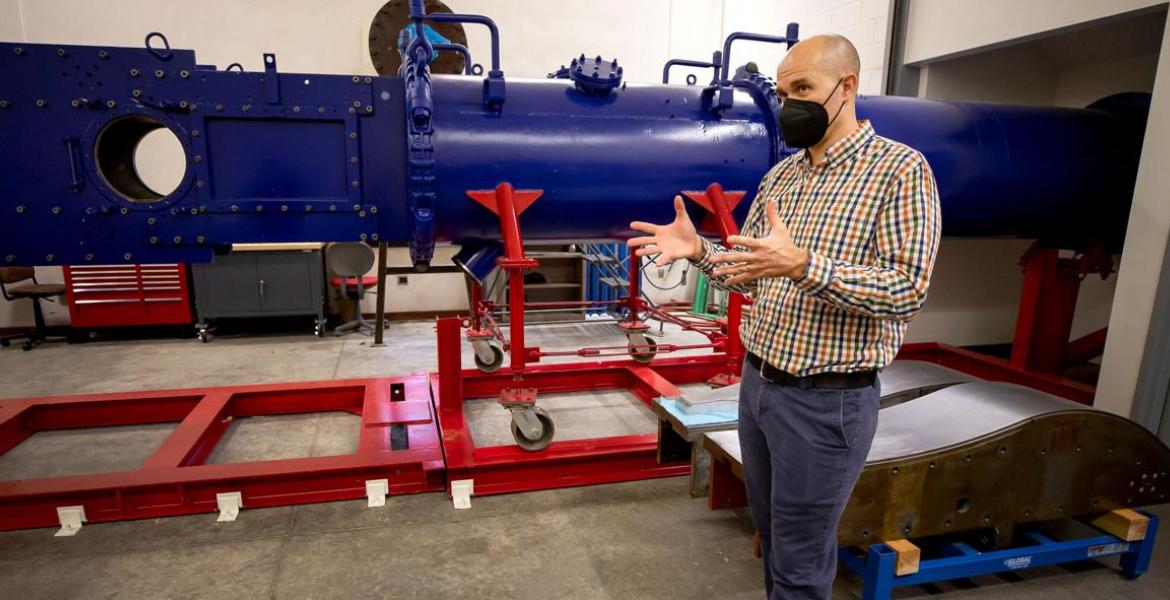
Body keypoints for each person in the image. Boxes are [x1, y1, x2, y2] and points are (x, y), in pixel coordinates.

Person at [627, 34, 941, 599]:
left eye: (802, 88)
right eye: (781, 91)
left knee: (800, 563)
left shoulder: (899, 171)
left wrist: (805, 267)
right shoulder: (783, 177)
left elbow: (906, 291)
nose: (787, 103)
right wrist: (700, 252)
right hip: (759, 386)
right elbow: (750, 272)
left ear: (847, 87)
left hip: (827, 402)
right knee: (771, 537)